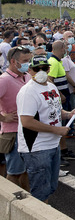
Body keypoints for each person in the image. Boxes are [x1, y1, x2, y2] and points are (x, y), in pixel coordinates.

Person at [17, 55, 75, 202]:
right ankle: (39, 216)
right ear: (30, 70)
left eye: (44, 68)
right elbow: (26, 121)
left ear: (49, 69)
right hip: (37, 147)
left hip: (53, 144)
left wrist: (69, 114)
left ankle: (43, 209)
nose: (41, 72)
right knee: (40, 191)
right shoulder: (28, 91)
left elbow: (56, 111)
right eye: (37, 69)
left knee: (51, 187)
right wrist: (57, 130)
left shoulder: (52, 87)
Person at [0, 47, 31, 190]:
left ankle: (28, 202)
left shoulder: (28, 76)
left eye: (29, 60)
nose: (28, 64)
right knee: (14, 172)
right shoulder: (4, 80)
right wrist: (3, 117)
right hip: (13, 133)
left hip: (29, 130)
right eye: (25, 61)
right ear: (13, 61)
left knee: (25, 171)